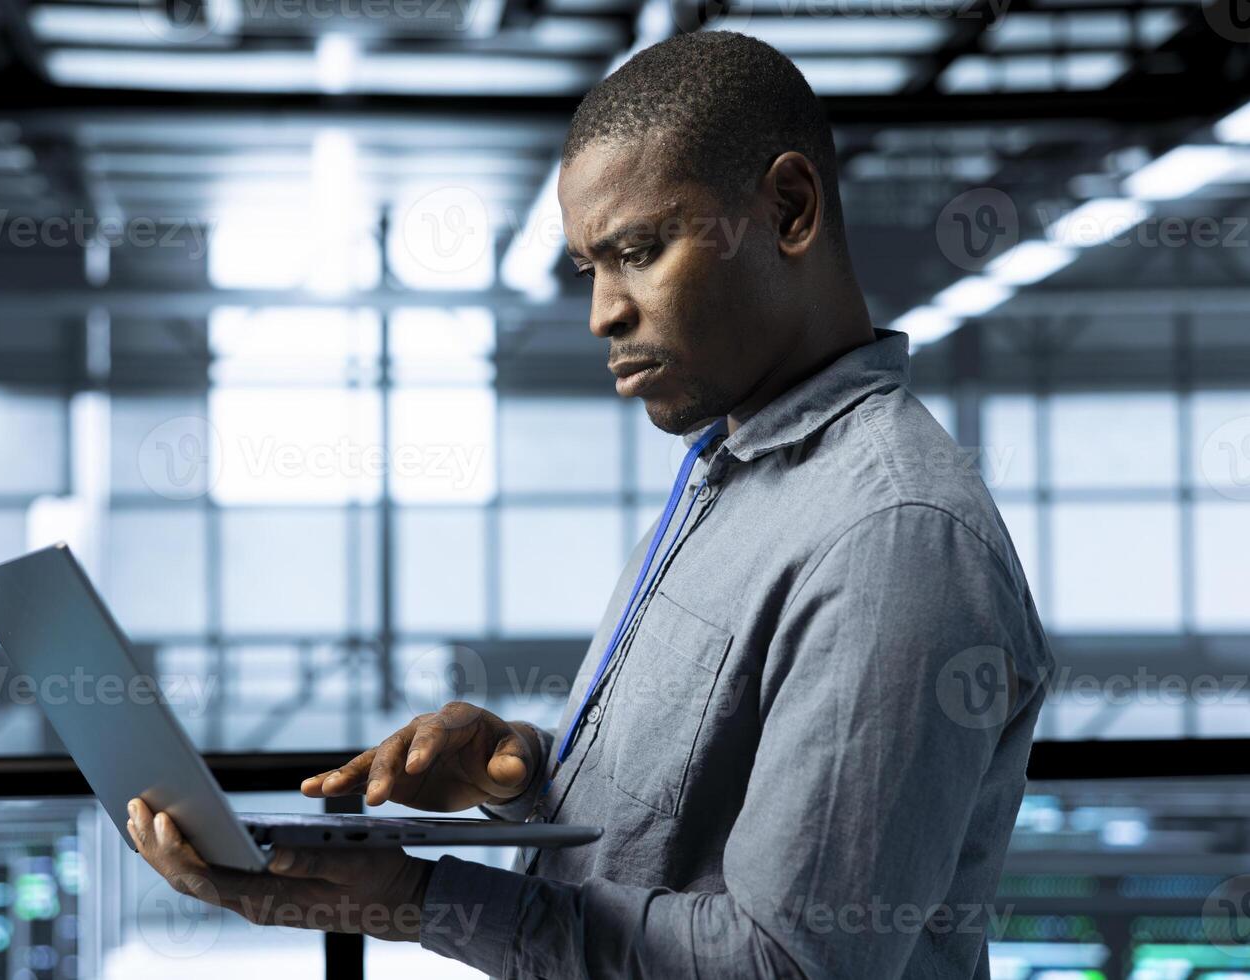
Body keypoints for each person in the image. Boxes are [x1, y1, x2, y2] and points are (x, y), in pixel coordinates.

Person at [128, 29, 1055, 978]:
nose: (602, 313)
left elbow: (786, 967)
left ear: (787, 210)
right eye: (591, 269)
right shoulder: (730, 474)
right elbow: (683, 828)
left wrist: (418, 901)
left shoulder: (890, 541)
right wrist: (523, 777)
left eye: (639, 252)